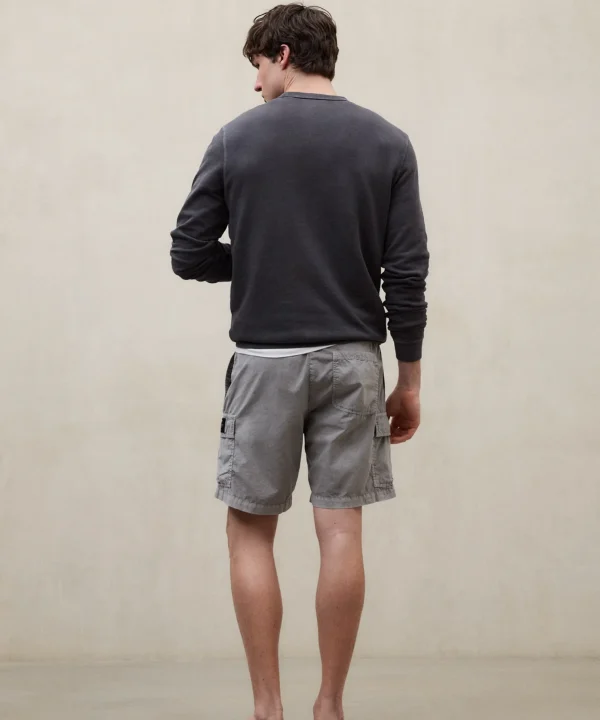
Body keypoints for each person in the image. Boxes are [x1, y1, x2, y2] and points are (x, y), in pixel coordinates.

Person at [170, 4, 429, 719]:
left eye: (258, 66)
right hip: (354, 362)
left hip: (265, 363)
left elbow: (188, 252)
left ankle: (267, 708)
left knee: (251, 530)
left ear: (282, 54)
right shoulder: (388, 142)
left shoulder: (236, 138)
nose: (256, 84)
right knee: (340, 529)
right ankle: (331, 705)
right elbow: (407, 274)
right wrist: (408, 380)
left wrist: (262, 255)